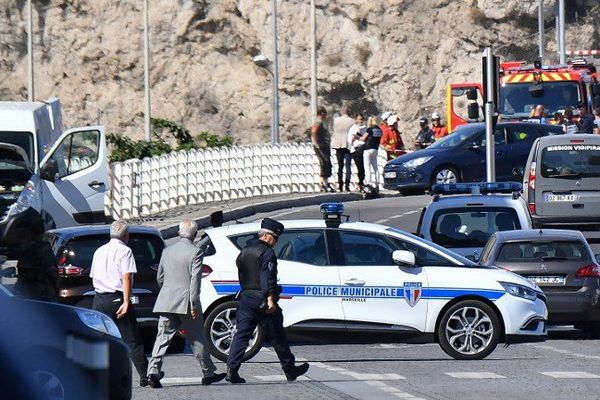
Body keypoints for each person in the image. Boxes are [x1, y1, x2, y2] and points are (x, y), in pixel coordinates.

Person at [226, 218, 309, 384]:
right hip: (262, 300)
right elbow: (267, 277)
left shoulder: (245, 251)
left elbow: (241, 271)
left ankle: (232, 370)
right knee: (277, 335)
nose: (276, 242)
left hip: (246, 297)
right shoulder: (267, 253)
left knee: (242, 335)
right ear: (267, 236)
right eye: (276, 238)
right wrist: (270, 299)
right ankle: (290, 370)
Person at [146, 220, 226, 389]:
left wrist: (167, 291)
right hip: (186, 302)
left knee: (162, 337)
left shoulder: (167, 251)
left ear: (178, 232)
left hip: (167, 300)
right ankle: (208, 373)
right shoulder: (196, 252)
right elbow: (194, 281)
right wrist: (194, 304)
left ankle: (152, 371)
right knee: (198, 338)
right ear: (195, 234)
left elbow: (159, 277)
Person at [90, 221, 149, 387]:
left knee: (99, 339)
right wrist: (126, 300)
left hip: (100, 298)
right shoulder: (125, 251)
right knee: (132, 339)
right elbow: (126, 277)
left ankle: (94, 374)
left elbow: (94, 275)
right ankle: (145, 375)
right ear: (126, 235)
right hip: (117, 298)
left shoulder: (99, 251)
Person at [14, 219, 58, 302]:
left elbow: (21, 270)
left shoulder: (24, 249)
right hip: (44, 292)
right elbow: (52, 270)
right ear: (42, 231)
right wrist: (56, 286)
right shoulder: (43, 248)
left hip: (27, 293)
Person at [332, 107, 356, 191]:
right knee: (348, 166)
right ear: (348, 112)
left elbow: (333, 130)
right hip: (348, 145)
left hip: (338, 144)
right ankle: (347, 186)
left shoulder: (336, 120)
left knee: (340, 166)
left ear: (341, 112)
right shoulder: (352, 121)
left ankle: (340, 185)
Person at [311, 107, 334, 192]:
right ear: (321, 113)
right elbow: (314, 131)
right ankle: (323, 183)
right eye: (324, 113)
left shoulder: (321, 122)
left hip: (324, 145)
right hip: (320, 146)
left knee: (327, 163)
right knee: (324, 163)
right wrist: (317, 143)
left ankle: (326, 182)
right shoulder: (318, 122)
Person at [361, 116, 382, 188]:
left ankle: (369, 183)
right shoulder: (379, 130)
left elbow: (363, 138)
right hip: (375, 148)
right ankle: (377, 183)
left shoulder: (369, 129)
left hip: (368, 148)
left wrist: (357, 136)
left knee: (367, 167)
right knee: (375, 167)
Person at [347, 113, 366, 191]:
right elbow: (350, 139)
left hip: (364, 148)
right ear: (356, 120)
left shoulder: (365, 128)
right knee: (359, 166)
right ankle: (360, 183)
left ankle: (362, 182)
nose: (360, 121)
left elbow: (365, 138)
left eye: (361, 119)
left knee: (363, 167)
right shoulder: (353, 128)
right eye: (359, 119)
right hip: (356, 149)